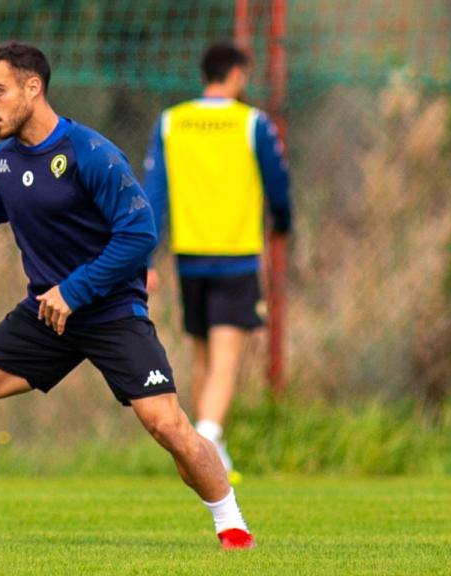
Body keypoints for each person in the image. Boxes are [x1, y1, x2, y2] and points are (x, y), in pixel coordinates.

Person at [0, 41, 255, 550]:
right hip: (47, 316)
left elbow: (140, 232)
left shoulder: (92, 154)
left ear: (32, 88)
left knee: (168, 426)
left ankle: (232, 526)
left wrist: (76, 290)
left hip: (111, 312)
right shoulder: (5, 160)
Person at [143, 41, 292, 479]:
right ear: (238, 75)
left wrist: (146, 256)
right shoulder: (253, 123)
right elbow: (278, 183)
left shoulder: (172, 122)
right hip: (236, 254)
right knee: (227, 358)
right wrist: (282, 222)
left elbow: (153, 193)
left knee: (204, 354)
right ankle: (207, 447)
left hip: (188, 255)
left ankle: (201, 442)